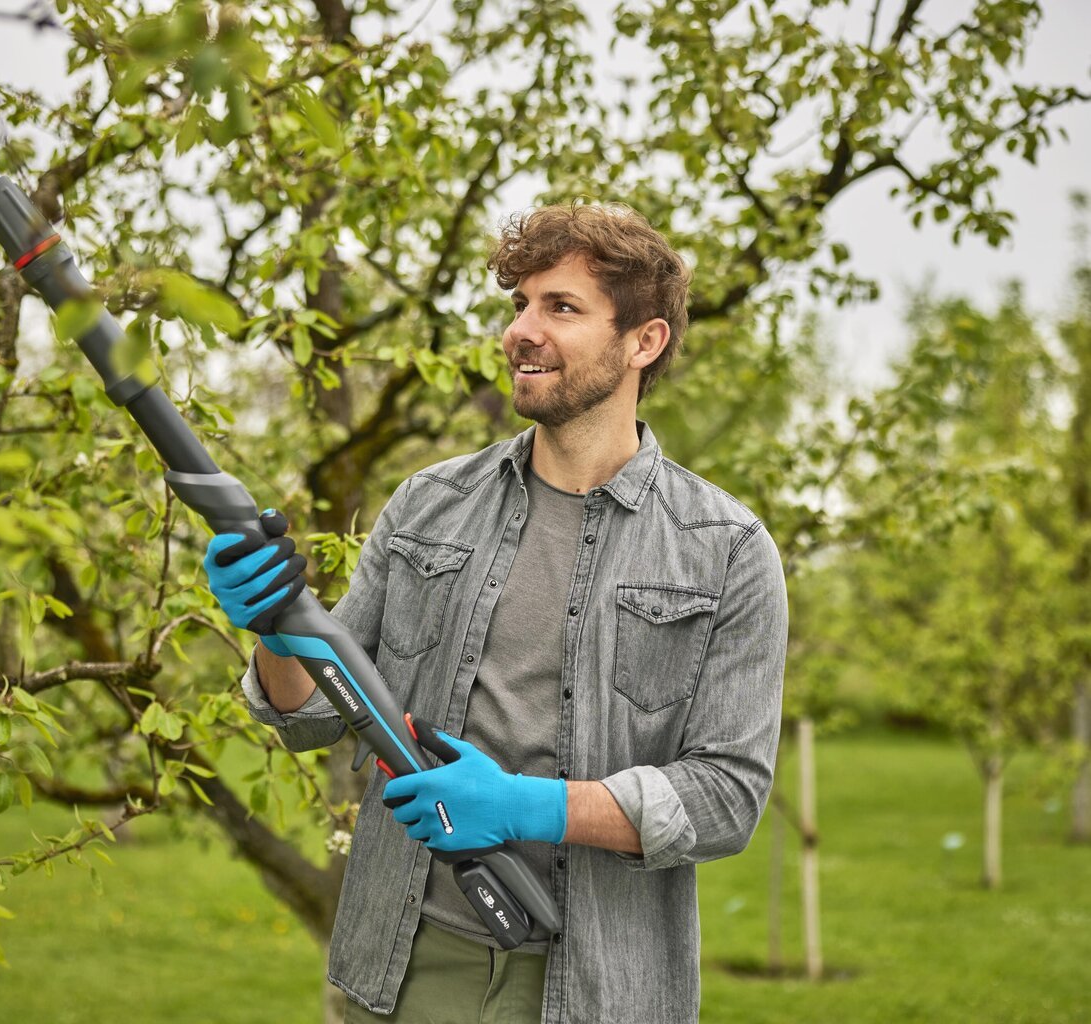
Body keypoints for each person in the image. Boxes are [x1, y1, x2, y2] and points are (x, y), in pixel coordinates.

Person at [207, 203, 788, 1024]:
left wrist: (525, 804)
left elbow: (725, 796)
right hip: (399, 965)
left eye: (560, 307)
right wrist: (271, 622)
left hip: (594, 987)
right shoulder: (429, 504)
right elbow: (308, 714)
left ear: (642, 342)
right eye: (518, 303)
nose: (522, 329)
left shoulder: (722, 549)